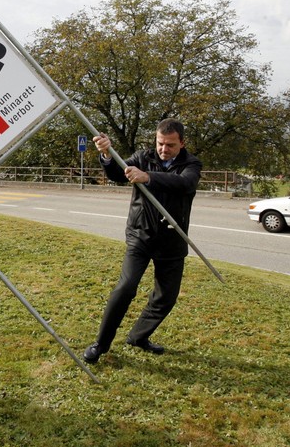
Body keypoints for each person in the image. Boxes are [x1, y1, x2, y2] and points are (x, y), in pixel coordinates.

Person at [83, 118, 202, 365]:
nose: (163, 149)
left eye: (170, 145)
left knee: (165, 298)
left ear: (182, 143)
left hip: (172, 240)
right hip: (140, 235)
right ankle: (100, 344)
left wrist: (148, 177)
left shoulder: (190, 164)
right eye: (160, 143)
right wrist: (106, 153)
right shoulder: (143, 156)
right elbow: (118, 173)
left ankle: (138, 337)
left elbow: (184, 184)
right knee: (125, 288)